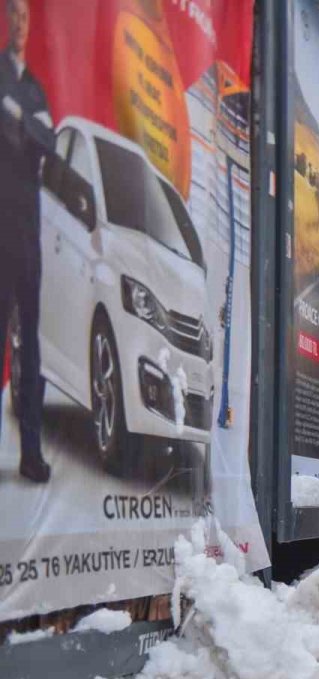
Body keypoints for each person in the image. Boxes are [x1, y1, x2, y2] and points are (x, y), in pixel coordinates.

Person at [0, 0, 52, 483]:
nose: (18, 25)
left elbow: (47, 141)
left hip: (29, 238)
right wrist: (23, 126)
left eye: (24, 18)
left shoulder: (32, 86)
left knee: (29, 347)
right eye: (12, 16)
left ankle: (31, 454)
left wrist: (18, 121)